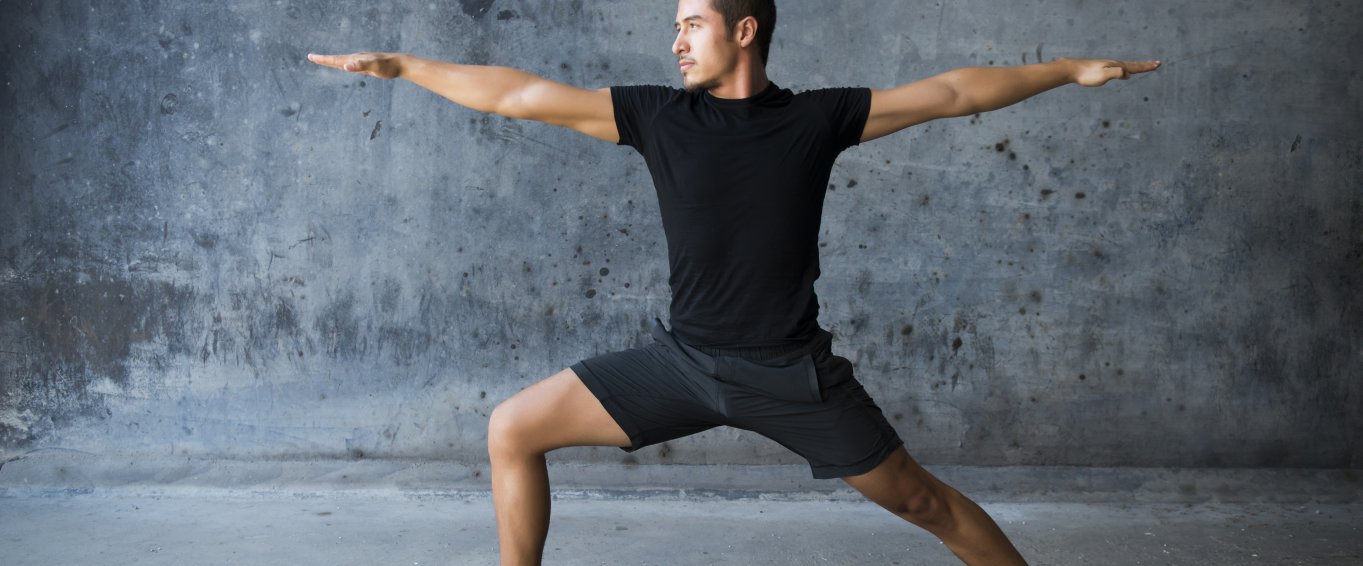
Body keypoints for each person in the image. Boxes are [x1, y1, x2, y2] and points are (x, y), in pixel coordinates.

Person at [309, 1, 1158, 564]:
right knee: (511, 428)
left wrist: (1068, 68)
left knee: (926, 506)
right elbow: (522, 95)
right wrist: (405, 66)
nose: (674, 40)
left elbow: (951, 91)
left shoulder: (815, 119)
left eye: (691, 23)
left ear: (744, 30)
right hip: (681, 362)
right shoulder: (656, 115)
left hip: (788, 372)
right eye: (673, 25)